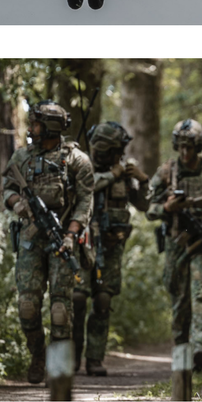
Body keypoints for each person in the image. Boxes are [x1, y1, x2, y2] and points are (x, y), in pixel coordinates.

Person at [2, 100, 94, 385]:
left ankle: (57, 368)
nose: (31, 129)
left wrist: (71, 233)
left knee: (59, 310)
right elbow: (8, 187)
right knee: (27, 307)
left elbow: (85, 200)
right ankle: (37, 355)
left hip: (63, 241)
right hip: (30, 240)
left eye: (36, 123)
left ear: (51, 127)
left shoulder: (78, 160)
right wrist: (17, 203)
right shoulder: (22, 158)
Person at [146, 120, 202, 374]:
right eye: (181, 147)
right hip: (176, 242)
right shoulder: (166, 172)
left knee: (200, 295)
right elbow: (147, 207)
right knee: (179, 299)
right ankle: (182, 348)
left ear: (198, 146)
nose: (185, 153)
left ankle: (198, 349)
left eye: (190, 147)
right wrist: (166, 208)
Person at [75, 121, 149, 375]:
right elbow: (87, 186)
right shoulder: (82, 165)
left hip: (112, 246)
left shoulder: (123, 172)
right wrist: (113, 175)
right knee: (77, 298)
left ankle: (94, 359)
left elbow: (144, 207)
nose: (120, 156)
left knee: (103, 300)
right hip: (83, 244)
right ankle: (72, 357)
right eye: (116, 150)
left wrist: (143, 182)